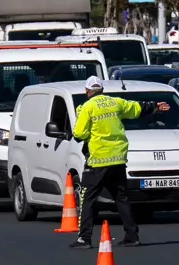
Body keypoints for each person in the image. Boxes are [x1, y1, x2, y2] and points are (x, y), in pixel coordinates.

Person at [69, 76, 171, 249]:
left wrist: (88, 134)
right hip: (118, 159)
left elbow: (79, 134)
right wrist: (155, 106)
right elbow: (135, 108)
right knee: (121, 197)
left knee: (88, 199)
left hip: (98, 161)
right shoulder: (115, 102)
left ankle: (84, 238)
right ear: (102, 90)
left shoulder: (88, 107)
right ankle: (132, 236)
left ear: (87, 91)